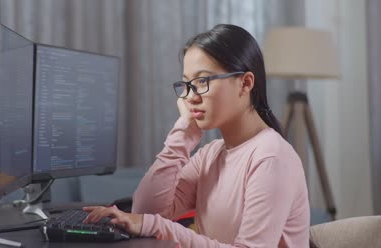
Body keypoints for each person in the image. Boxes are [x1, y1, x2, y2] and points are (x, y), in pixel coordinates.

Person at [83, 24, 310, 247]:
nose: (190, 96)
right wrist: (184, 131)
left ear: (245, 83)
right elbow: (146, 211)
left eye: (203, 81)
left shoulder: (271, 157)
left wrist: (152, 224)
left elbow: (148, 221)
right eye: (187, 84)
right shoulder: (210, 155)